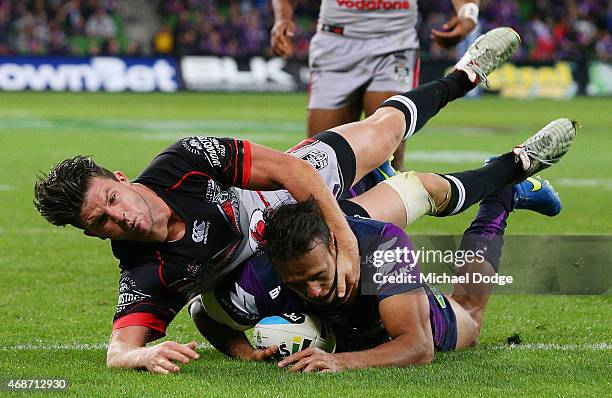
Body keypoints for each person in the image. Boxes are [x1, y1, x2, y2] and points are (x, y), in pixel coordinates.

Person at [33, 28, 573, 373]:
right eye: (100, 222)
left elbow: (289, 170)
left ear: (120, 177)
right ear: (92, 233)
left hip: (295, 187)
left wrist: (341, 236)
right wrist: (143, 354)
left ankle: (462, 76)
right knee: (421, 190)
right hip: (288, 245)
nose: (118, 217)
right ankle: (520, 165)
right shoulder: (146, 271)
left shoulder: (182, 161)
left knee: (383, 129)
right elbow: (120, 349)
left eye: (110, 198)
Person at [190, 177, 563, 371]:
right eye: (298, 283)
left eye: (320, 275)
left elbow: (419, 348)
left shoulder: (383, 245)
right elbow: (203, 312)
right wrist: (242, 351)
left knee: (470, 313)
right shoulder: (260, 276)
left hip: (399, 315)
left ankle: (503, 196)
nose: (315, 290)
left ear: (337, 246)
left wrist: (339, 361)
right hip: (345, 326)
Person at [271, 0, 481, 169]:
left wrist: (468, 15)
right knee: (321, 162)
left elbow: (467, 6)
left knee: (386, 155)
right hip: (334, 42)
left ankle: (384, 220)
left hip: (395, 43)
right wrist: (282, 19)